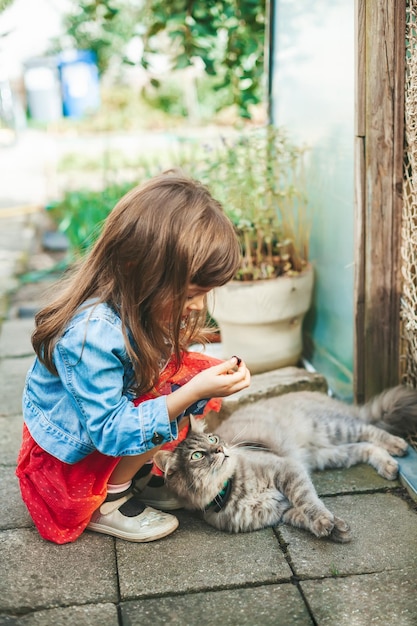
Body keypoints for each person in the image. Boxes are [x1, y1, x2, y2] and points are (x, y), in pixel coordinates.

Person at [16, 171, 251, 545]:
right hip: (74, 458)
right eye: (191, 293)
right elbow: (109, 429)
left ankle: (134, 474)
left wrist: (196, 385)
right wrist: (190, 393)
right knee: (178, 395)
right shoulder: (90, 336)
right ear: (139, 269)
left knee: (186, 379)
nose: (198, 306)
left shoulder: (136, 300)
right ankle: (109, 500)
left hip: (103, 422)